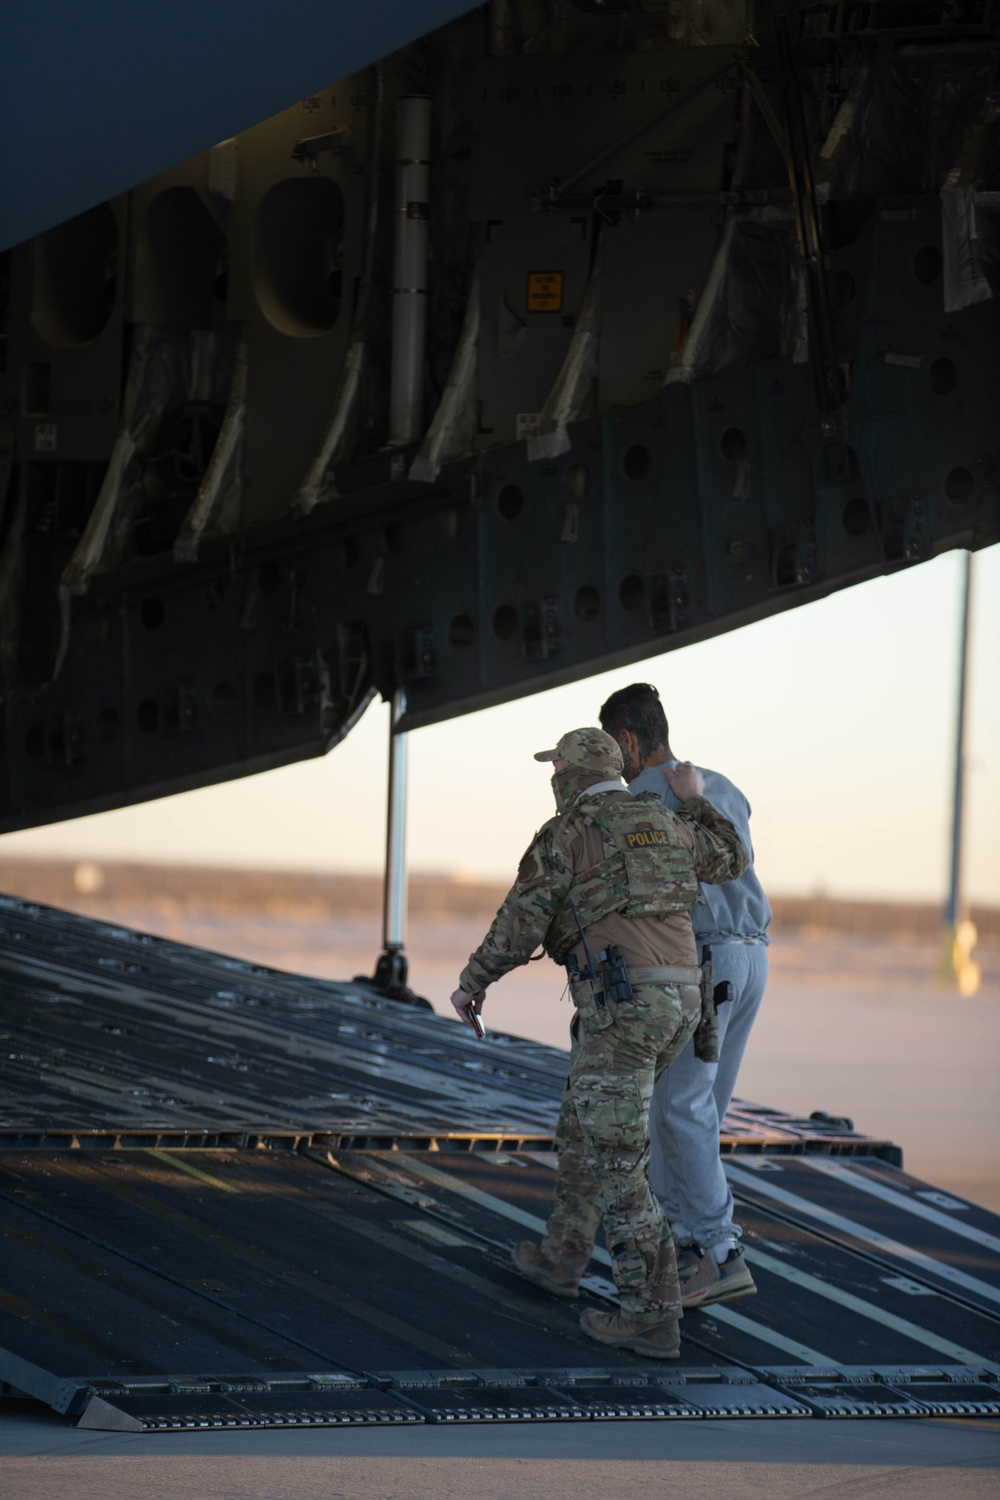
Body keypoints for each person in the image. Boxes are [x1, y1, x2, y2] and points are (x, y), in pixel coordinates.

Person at [450, 727, 747, 1358]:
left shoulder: (565, 835)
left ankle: (651, 1314)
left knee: (620, 1165)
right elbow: (732, 858)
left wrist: (472, 984)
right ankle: (561, 1258)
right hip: (680, 1007)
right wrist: (694, 800)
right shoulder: (666, 821)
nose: (552, 776)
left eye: (555, 766)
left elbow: (520, 919)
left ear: (571, 773)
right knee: (584, 1123)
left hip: (624, 1011)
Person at [599, 682, 771, 1311]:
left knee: (677, 1109)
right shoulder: (720, 784)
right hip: (752, 957)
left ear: (627, 740)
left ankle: (720, 1253)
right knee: (699, 1110)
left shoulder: (641, 799)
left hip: (704, 965)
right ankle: (688, 1250)